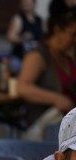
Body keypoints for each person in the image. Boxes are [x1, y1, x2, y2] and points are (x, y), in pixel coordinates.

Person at [17, 11, 76, 140]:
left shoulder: (68, 57)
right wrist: (58, 99)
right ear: (57, 30)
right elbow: (23, 88)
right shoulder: (37, 56)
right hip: (47, 128)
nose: (75, 40)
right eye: (73, 34)